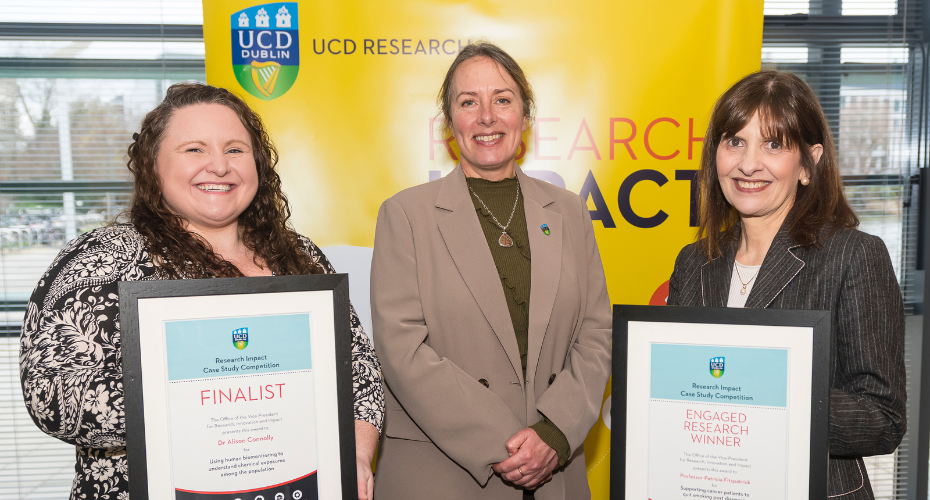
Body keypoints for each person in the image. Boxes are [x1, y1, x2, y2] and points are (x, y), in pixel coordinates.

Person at [19, 83, 384, 500]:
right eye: (194, 149)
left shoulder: (299, 255)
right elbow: (52, 396)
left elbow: (360, 375)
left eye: (235, 150)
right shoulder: (102, 259)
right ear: (153, 165)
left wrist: (352, 455)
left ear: (258, 164)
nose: (219, 166)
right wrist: (205, 399)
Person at [370, 42, 612, 499]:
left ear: (525, 117)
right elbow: (402, 349)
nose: (487, 116)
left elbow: (597, 334)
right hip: (442, 473)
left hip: (554, 471)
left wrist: (554, 435)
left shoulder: (569, 211)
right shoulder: (405, 215)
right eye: (468, 102)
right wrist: (507, 444)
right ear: (449, 122)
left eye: (502, 99)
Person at [667, 71, 906, 499]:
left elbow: (881, 419)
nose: (747, 162)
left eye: (773, 144)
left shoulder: (854, 256)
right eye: (734, 141)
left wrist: (766, 401)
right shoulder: (695, 262)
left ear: (808, 164)